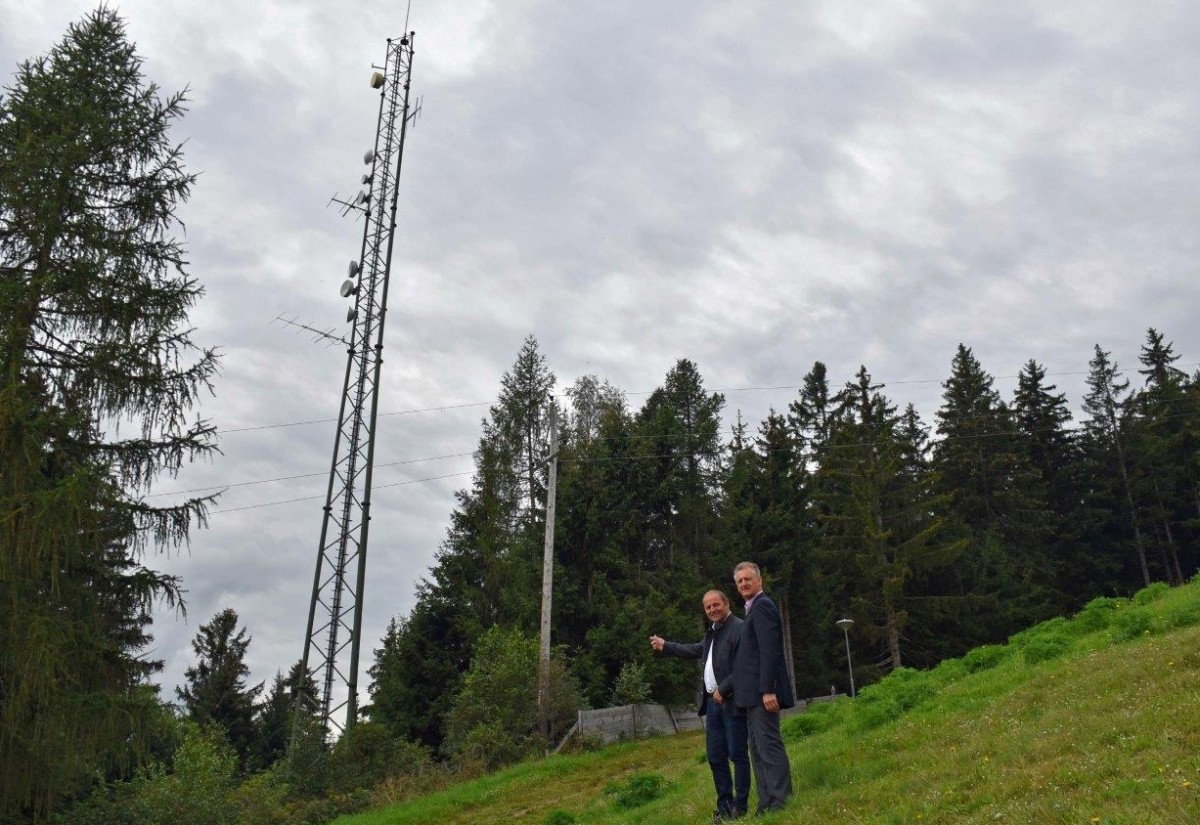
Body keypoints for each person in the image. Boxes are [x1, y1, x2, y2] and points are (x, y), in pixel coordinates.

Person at [650, 589, 750, 821]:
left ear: (726, 604)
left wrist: (724, 689)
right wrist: (666, 645)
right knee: (716, 757)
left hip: (733, 702)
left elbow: (744, 666)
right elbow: (696, 649)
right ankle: (725, 808)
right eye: (708, 607)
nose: (713, 609)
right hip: (713, 706)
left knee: (737, 755)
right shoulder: (712, 632)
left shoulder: (740, 628)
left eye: (716, 605)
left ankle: (740, 807)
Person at [720, 561, 794, 815]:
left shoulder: (762, 606)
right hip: (750, 696)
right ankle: (766, 802)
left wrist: (768, 689)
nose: (743, 584)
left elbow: (769, 650)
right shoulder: (751, 609)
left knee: (769, 746)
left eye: (748, 579)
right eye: (739, 581)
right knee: (757, 750)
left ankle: (781, 801)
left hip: (763, 694)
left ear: (759, 581)